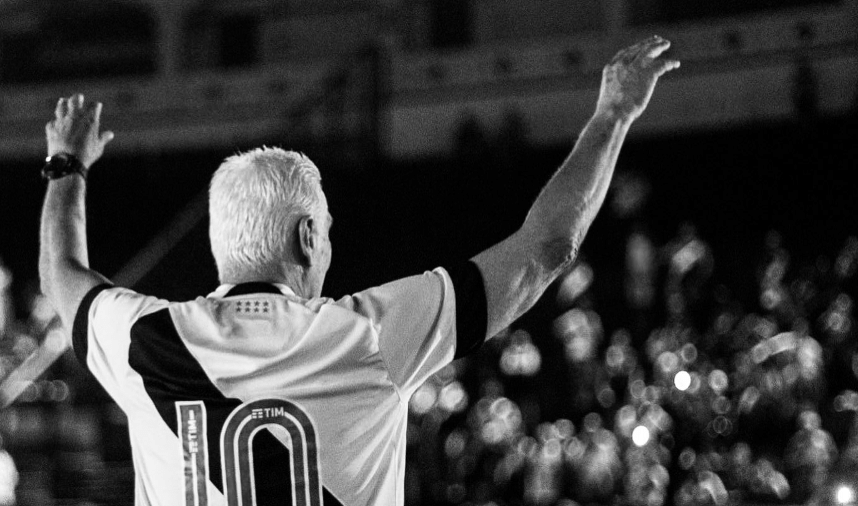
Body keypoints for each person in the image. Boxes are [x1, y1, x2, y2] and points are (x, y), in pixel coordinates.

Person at [39, 36, 679, 506]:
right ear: (308, 235)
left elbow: (62, 274)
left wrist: (67, 162)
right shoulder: (367, 335)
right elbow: (546, 250)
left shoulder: (140, 339)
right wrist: (612, 116)